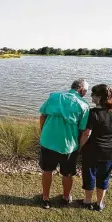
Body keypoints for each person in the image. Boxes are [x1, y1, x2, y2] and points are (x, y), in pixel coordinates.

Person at [39, 79, 90, 209]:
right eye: (86, 91)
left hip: (48, 141)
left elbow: (42, 116)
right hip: (69, 146)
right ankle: (66, 197)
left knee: (47, 170)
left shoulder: (54, 96)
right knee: (67, 173)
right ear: (82, 90)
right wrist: (79, 146)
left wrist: (43, 133)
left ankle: (45, 198)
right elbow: (83, 130)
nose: (86, 93)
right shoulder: (84, 105)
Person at [78, 84, 112, 212]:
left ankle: (87, 201)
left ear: (100, 97)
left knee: (90, 174)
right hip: (110, 150)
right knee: (104, 176)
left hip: (92, 150)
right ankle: (99, 204)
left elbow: (87, 133)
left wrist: (80, 146)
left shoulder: (93, 113)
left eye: (93, 94)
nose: (91, 96)